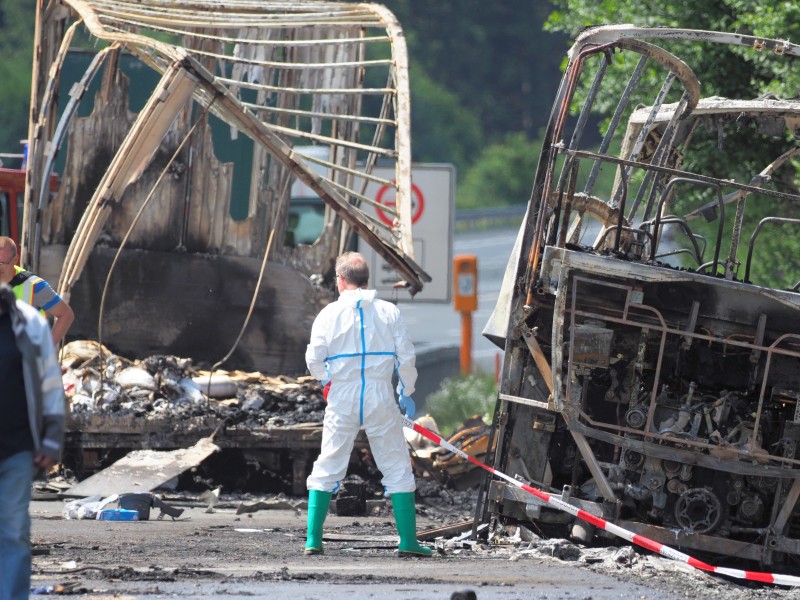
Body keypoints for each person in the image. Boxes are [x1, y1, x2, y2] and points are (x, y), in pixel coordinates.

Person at [303, 252, 431, 557]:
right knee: (396, 465)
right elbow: (407, 357)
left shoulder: (328, 315)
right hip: (379, 396)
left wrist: (327, 380)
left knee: (329, 463)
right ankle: (409, 542)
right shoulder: (389, 312)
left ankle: (313, 541)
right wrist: (406, 390)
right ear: (366, 280)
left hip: (343, 395)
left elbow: (313, 359)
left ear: (341, 280)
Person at [0, 283, 65, 599]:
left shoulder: (28, 323)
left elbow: (50, 382)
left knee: (12, 533)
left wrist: (52, 437)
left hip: (16, 449)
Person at [0, 236, 74, 346]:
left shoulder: (34, 286)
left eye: (2, 263)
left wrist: (45, 350)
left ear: (15, 260)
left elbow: (66, 315)